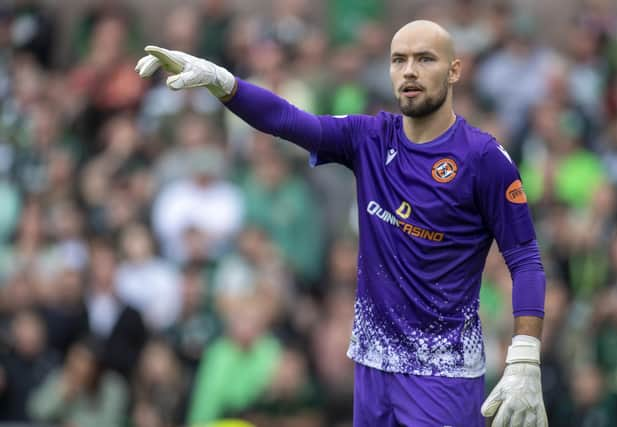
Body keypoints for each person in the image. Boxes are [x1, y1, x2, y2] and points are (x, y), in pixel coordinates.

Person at [136, 19, 547, 427]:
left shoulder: (484, 159)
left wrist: (525, 358)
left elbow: (525, 258)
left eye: (425, 59)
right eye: (399, 60)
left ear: (455, 70)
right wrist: (223, 82)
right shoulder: (370, 138)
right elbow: (288, 120)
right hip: (372, 366)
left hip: (443, 374)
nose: (409, 71)